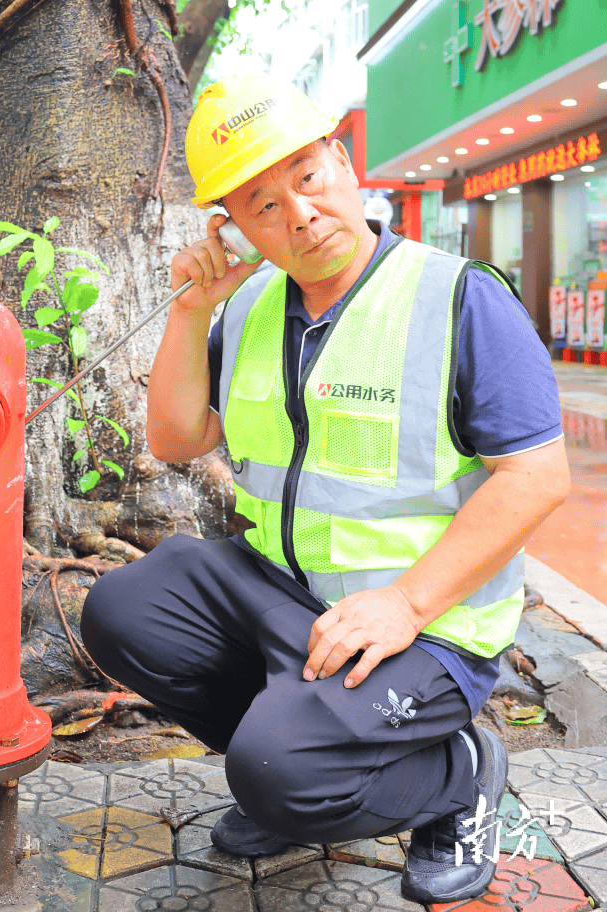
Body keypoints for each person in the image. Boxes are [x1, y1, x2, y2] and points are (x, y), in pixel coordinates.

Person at [80, 76, 570, 904]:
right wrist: (191, 311)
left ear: (342, 162)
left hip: (425, 627)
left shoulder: (458, 298)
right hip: (288, 595)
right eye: (264, 207)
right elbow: (175, 439)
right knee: (122, 611)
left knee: (276, 773)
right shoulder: (250, 306)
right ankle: (307, 760)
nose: (301, 215)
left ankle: (457, 775)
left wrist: (406, 604)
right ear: (233, 229)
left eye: (308, 178)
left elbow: (538, 477)